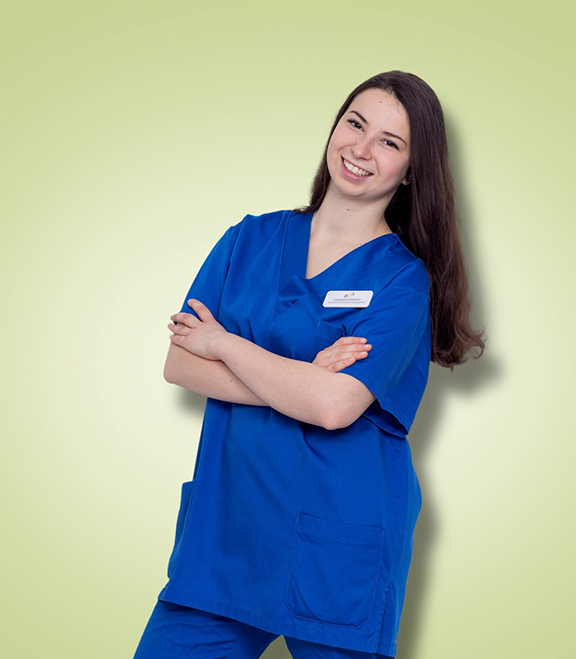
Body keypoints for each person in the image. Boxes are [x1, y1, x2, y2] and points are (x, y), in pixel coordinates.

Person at [133, 70, 485, 659]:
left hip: (338, 545)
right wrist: (303, 378)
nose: (361, 149)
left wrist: (226, 345)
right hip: (227, 533)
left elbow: (333, 406)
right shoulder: (248, 240)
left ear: (411, 169)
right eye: (355, 124)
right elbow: (180, 364)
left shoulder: (402, 282)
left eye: (389, 142)